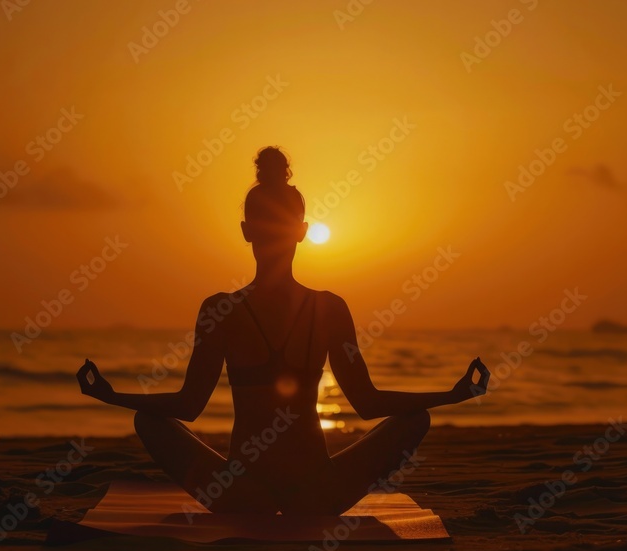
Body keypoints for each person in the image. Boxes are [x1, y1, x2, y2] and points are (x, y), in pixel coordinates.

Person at [77, 147, 489, 515]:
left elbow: (188, 405)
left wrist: (111, 396)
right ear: (302, 232)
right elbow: (367, 401)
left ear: (246, 230)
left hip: (240, 494)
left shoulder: (221, 309)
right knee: (414, 420)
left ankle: (259, 503)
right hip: (315, 493)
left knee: (148, 422)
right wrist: (453, 395)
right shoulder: (328, 307)